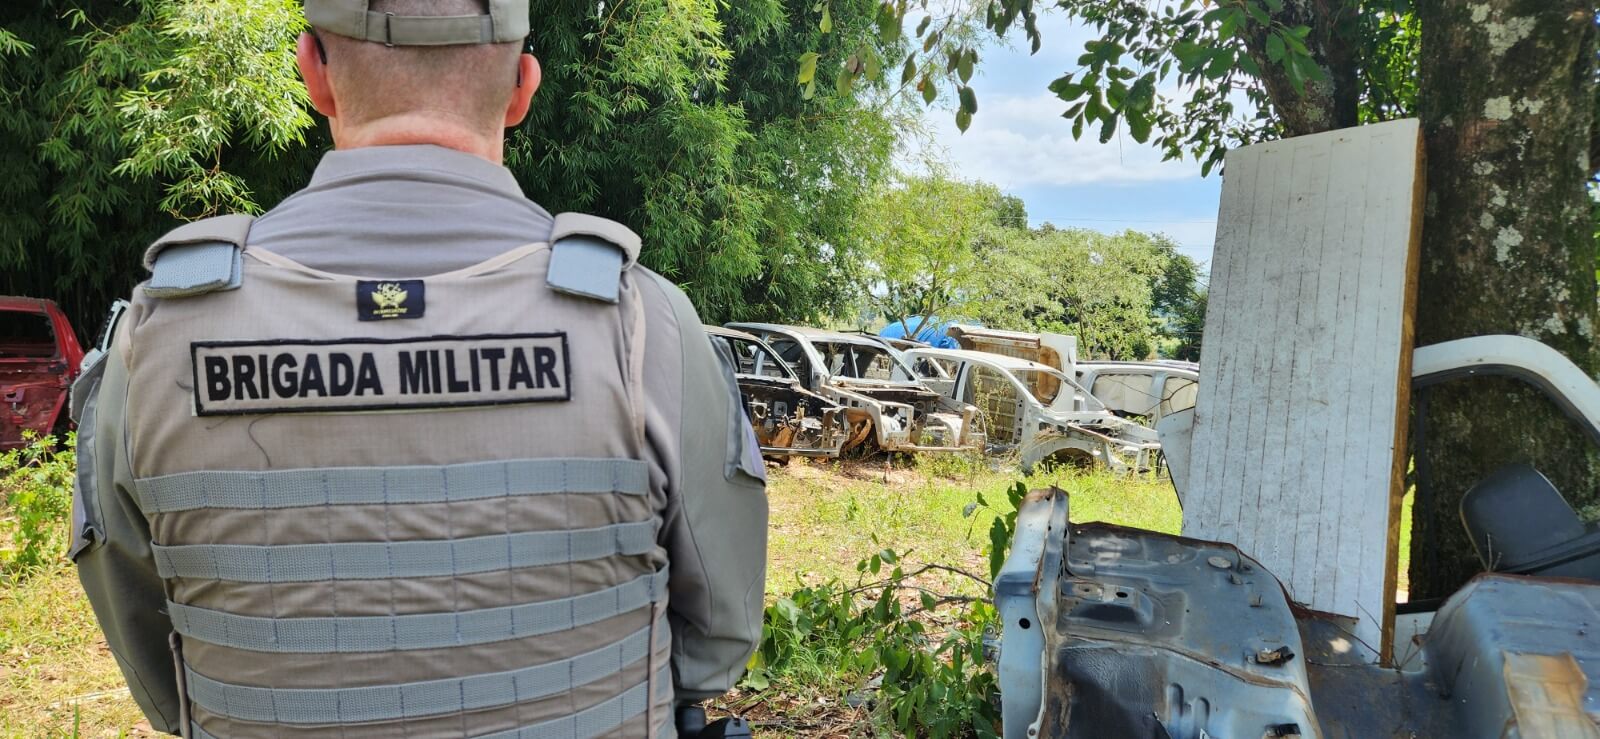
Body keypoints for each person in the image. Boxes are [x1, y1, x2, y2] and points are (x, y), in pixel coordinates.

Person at [69, 1, 769, 736]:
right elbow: (714, 643)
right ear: (524, 86)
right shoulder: (640, 322)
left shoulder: (158, 335)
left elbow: (157, 663)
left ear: (313, 73)